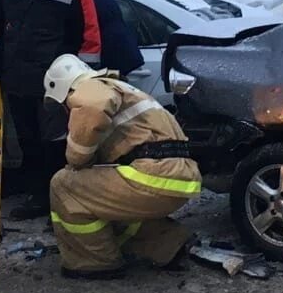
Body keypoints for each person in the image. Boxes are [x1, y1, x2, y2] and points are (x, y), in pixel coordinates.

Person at [0, 0, 103, 220]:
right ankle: (37, 193)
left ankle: (59, 197)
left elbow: (90, 36)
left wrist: (85, 78)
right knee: (27, 138)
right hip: (18, 77)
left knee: (57, 141)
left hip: (59, 82)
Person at [44, 54, 201, 279]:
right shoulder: (125, 89)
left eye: (62, 105)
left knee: (64, 185)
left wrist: (77, 157)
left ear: (64, 88)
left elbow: (93, 106)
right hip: (177, 176)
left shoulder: (90, 87)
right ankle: (169, 244)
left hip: (151, 174)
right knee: (100, 195)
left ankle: (93, 262)